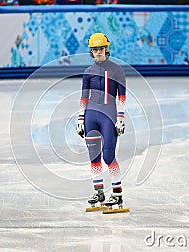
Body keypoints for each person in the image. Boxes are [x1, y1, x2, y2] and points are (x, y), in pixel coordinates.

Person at [76, 33, 126, 210]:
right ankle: (99, 192)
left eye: (101, 48)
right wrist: (80, 118)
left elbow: (122, 96)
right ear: (91, 51)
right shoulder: (88, 72)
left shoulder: (117, 70)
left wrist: (120, 117)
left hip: (109, 116)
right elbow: (84, 97)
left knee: (108, 155)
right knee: (94, 157)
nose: (98, 52)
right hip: (91, 116)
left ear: (107, 48)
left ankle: (117, 194)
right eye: (95, 49)